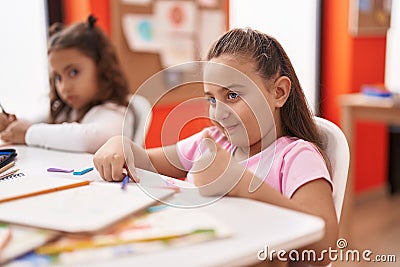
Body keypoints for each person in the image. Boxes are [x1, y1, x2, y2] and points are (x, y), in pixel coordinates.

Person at [93, 28, 338, 265]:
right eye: (211, 99)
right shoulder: (211, 142)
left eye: (232, 95)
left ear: (279, 92)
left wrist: (242, 185)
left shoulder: (296, 156)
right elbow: (147, 162)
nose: (218, 113)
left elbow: (324, 247)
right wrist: (122, 145)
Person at [0, 15, 133, 153]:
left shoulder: (114, 112)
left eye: (73, 72)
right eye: (58, 77)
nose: (64, 87)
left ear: (102, 68)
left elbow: (87, 139)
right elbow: (38, 123)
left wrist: (28, 133)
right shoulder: (68, 111)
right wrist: (11, 126)